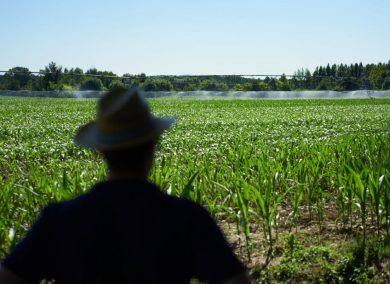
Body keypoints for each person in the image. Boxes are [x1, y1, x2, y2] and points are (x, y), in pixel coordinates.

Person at [0, 88, 251, 284]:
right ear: (153, 145)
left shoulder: (58, 220)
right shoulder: (187, 218)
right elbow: (236, 280)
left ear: (101, 149)